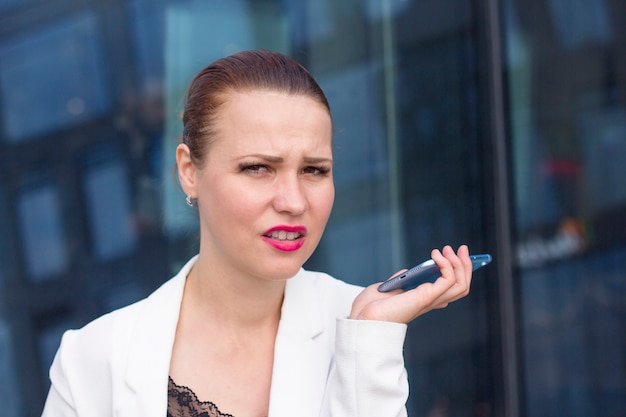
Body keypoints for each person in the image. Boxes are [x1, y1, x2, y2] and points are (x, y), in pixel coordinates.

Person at [41, 50, 474, 417]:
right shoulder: (92, 360)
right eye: (258, 168)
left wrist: (370, 341)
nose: (293, 201)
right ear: (189, 172)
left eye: (314, 170)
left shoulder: (361, 327)